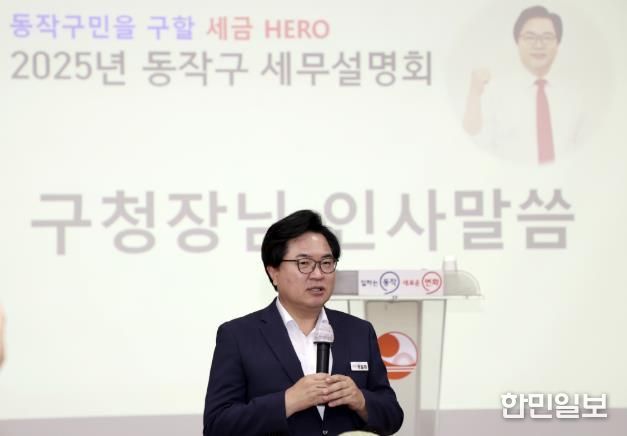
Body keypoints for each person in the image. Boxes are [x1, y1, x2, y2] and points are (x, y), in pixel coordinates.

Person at [203, 210, 403, 436]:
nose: (318, 274)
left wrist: (361, 400)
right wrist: (288, 401)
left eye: (326, 263)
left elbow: (393, 417)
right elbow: (217, 426)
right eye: (304, 263)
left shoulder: (359, 331)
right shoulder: (238, 336)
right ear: (273, 272)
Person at [463, 5, 585, 164]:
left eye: (547, 37)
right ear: (517, 42)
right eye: (530, 37)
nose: (539, 45)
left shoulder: (574, 97)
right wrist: (474, 94)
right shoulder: (494, 91)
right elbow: (474, 144)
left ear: (557, 44)